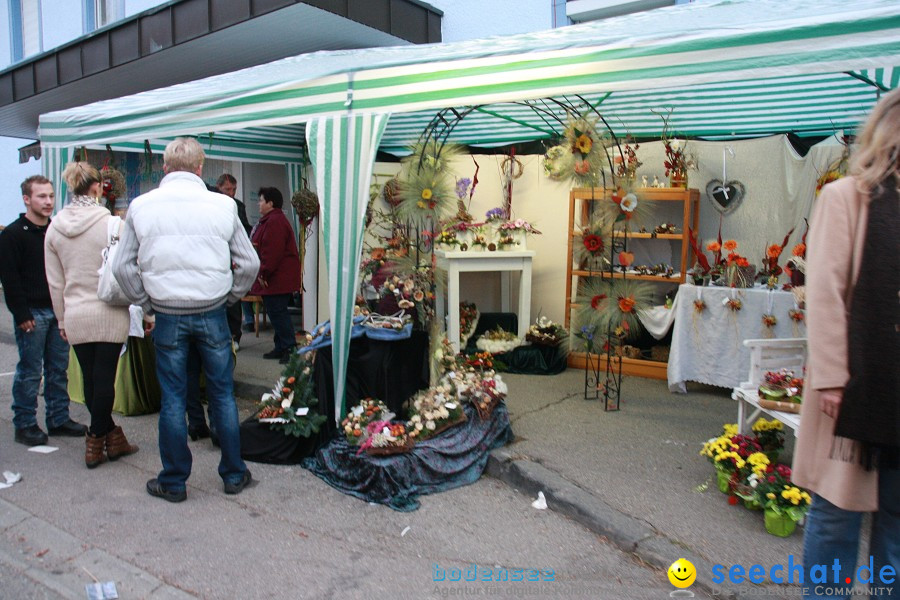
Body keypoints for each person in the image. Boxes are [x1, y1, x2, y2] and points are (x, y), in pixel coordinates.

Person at [793, 88, 899, 599]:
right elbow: (826, 292)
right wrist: (834, 379)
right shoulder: (846, 197)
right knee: (836, 517)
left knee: (896, 526)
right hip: (855, 392)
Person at [112, 137, 259, 502]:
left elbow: (121, 266)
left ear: (164, 167)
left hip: (168, 313)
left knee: (174, 397)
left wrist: (146, 303)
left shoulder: (141, 206)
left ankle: (174, 480)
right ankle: (233, 474)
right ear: (200, 168)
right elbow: (250, 263)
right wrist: (230, 296)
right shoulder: (224, 205)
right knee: (223, 394)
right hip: (212, 311)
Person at [44, 162, 145, 468]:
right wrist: (144, 311)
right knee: (105, 380)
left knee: (90, 379)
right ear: (97, 188)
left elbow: (55, 280)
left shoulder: (54, 227)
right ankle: (97, 437)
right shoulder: (113, 224)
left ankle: (111, 437)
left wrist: (61, 318)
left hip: (75, 312)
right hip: (110, 309)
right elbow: (131, 270)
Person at [0, 175, 86, 446]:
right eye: (41, 196)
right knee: (30, 370)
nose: (48, 201)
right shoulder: (13, 234)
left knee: (58, 368)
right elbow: (9, 278)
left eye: (51, 196)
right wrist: (21, 313)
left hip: (58, 310)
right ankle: (24, 423)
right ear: (27, 199)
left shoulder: (56, 231)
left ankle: (58, 418)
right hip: (32, 313)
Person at [249, 187, 302, 364]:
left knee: (278, 313)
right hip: (277, 277)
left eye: (261, 200)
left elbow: (272, 252)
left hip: (277, 277)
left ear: (270, 203)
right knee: (276, 312)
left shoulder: (274, 222)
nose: (259, 204)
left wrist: (264, 272)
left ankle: (290, 347)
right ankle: (280, 346)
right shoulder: (272, 220)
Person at [215, 174, 253, 348]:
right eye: (227, 189)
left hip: (231, 257)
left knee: (233, 301)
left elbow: (245, 230)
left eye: (233, 189)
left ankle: (235, 335)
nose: (231, 193)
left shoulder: (238, 206)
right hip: (216, 256)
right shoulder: (212, 203)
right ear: (219, 188)